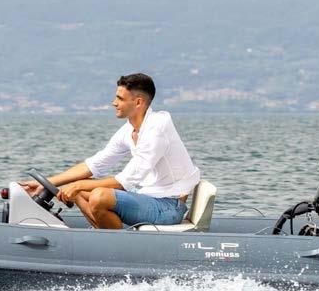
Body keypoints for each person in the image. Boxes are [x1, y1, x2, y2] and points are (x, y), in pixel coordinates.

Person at [21, 73, 199, 229]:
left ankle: (116, 243)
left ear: (138, 102)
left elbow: (124, 182)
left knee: (99, 196)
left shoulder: (157, 128)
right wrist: (46, 184)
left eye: (120, 98)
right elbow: (94, 165)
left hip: (169, 206)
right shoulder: (129, 130)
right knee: (79, 189)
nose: (114, 103)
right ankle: (103, 233)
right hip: (146, 196)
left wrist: (76, 186)